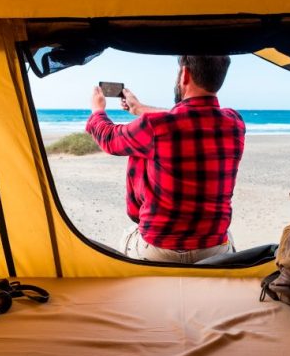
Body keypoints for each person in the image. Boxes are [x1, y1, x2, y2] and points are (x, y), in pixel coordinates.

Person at [85, 55, 245, 263]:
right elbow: (192, 117)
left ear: (184, 74)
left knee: (127, 236)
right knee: (227, 236)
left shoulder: (155, 126)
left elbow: (110, 138)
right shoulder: (235, 123)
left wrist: (98, 110)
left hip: (157, 248)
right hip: (213, 249)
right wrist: (139, 108)